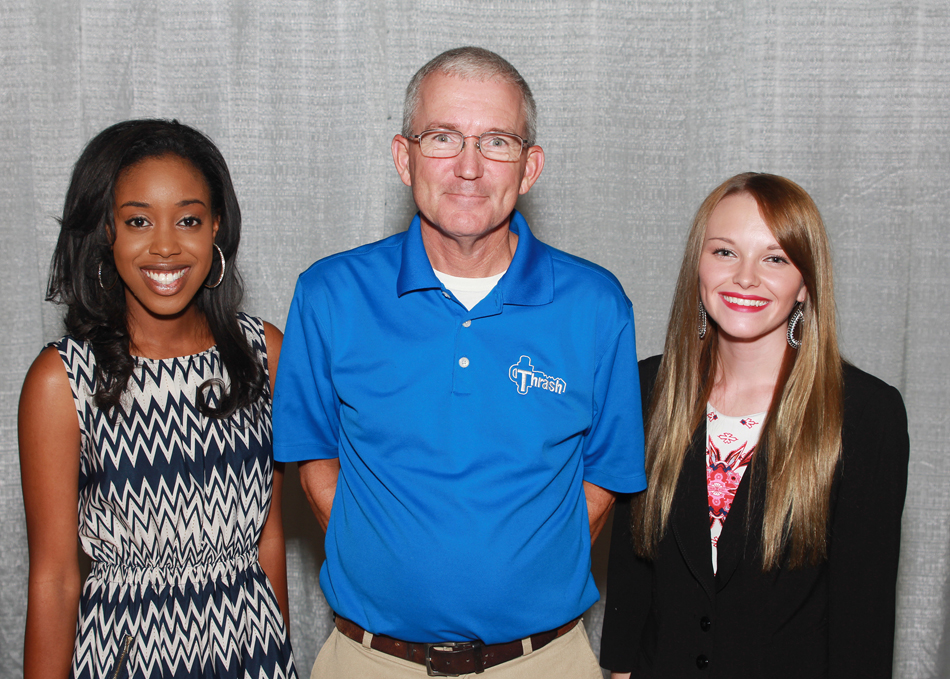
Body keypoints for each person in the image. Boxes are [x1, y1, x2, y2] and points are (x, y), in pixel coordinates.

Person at [273, 46, 646, 678]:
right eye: (443, 137)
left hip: (543, 662)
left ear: (529, 167)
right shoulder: (330, 294)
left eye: (496, 142)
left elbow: (605, 474)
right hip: (370, 661)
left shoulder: (595, 304)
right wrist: (391, 561)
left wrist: (525, 569)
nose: (468, 168)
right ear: (405, 157)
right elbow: (315, 462)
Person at [600, 172, 909, 678]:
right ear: (698, 266)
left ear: (805, 283)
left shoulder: (866, 414)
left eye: (775, 259)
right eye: (725, 252)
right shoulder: (646, 388)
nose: (745, 277)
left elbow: (863, 617)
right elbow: (633, 570)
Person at [18, 119, 297, 679]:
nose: (166, 246)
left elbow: (267, 538)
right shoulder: (61, 379)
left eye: (188, 220)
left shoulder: (264, 352)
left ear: (216, 227)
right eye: (138, 220)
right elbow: (55, 578)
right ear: (107, 231)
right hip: (127, 656)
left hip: (251, 653)